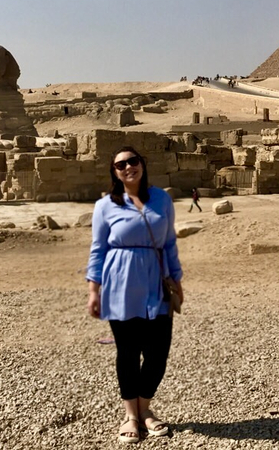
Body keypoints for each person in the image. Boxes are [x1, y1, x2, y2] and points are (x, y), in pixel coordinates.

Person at [87, 147, 184, 444]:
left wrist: (177, 279)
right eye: (121, 164)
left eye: (133, 161)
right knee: (128, 352)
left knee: (157, 352)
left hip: (156, 281)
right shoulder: (105, 205)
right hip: (120, 284)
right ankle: (132, 416)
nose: (128, 167)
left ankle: (145, 409)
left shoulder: (162, 199)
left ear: (142, 164)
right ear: (114, 172)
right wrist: (93, 290)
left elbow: (169, 243)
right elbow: (98, 249)